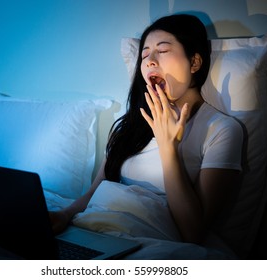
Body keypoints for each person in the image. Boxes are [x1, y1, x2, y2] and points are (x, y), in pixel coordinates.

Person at [49, 14, 243, 246]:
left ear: (194, 63)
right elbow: (95, 191)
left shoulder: (222, 130)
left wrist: (168, 148)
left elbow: (194, 232)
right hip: (92, 231)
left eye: (162, 51)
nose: (150, 60)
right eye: (144, 54)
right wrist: (64, 214)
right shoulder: (130, 125)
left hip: (150, 244)